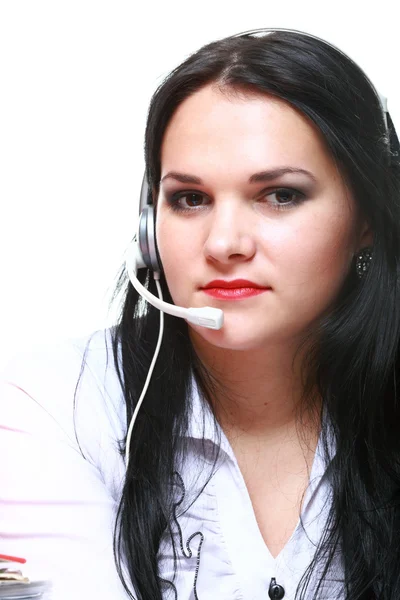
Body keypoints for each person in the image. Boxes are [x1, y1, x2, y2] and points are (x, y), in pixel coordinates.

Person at [2, 27, 400, 600]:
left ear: (367, 217)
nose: (225, 242)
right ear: (148, 229)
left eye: (280, 195)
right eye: (190, 199)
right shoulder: (52, 403)